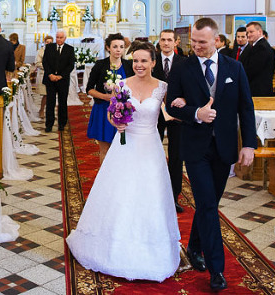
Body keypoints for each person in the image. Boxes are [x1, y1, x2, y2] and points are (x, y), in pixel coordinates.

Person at [66, 41, 182, 282]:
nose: (139, 65)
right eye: (136, 60)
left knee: (149, 193)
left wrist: (183, 107)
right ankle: (112, 245)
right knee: (122, 191)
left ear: (153, 63)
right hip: (125, 144)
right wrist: (116, 122)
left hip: (150, 147)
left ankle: (151, 248)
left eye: (144, 61)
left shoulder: (163, 87)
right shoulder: (122, 84)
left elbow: (171, 112)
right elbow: (112, 112)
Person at [166, 18, 256, 292]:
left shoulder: (234, 68)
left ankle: (194, 246)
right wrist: (195, 112)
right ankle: (217, 270)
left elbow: (246, 107)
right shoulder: (182, 67)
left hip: (224, 147)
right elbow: (172, 104)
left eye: (202, 42)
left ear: (216, 40)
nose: (196, 46)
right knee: (206, 204)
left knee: (209, 204)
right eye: (193, 41)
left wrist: (249, 144)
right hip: (195, 148)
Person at [152, 29, 187, 212]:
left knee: (176, 156)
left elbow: (190, 86)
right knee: (153, 155)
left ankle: (174, 197)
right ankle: (154, 195)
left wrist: (185, 100)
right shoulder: (152, 61)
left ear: (176, 42)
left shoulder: (184, 62)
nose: (166, 43)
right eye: (163, 40)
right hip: (154, 113)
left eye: (169, 40)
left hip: (176, 114)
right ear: (159, 42)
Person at [85, 33, 133, 164]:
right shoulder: (100, 65)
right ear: (108, 48)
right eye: (115, 46)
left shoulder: (129, 65)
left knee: (123, 148)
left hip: (124, 112)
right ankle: (104, 176)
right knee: (105, 149)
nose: (118, 50)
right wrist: (105, 97)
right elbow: (89, 89)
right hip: (103, 110)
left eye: (121, 47)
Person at [42, 30, 75, 132]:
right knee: (50, 103)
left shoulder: (70, 49)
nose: (59, 39)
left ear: (65, 38)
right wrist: (50, 74)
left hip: (63, 80)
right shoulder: (49, 47)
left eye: (61, 37)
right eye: (57, 37)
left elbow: (71, 65)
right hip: (50, 79)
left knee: (62, 102)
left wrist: (61, 76)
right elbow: (45, 62)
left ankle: (62, 124)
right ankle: (49, 124)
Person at [239, 21, 275, 97]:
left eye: (251, 32)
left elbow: (252, 69)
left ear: (259, 32)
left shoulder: (261, 47)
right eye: (247, 33)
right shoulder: (259, 46)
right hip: (258, 88)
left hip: (259, 90)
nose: (248, 35)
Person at [34, 35, 53, 119]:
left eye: (50, 42)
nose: (49, 44)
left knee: (51, 95)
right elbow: (37, 63)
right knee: (45, 94)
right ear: (45, 42)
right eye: (47, 42)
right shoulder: (40, 51)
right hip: (43, 74)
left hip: (53, 75)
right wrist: (48, 67)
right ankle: (41, 110)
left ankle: (50, 112)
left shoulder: (55, 51)